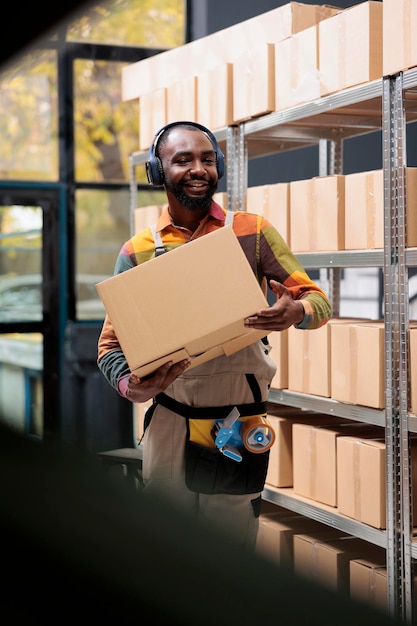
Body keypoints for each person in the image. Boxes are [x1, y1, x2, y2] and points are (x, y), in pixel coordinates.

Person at [97, 120, 332, 550]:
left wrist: (295, 310)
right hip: (170, 423)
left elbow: (319, 303)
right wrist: (131, 386)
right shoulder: (137, 252)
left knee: (229, 555)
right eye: (183, 159)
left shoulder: (252, 232)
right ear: (157, 171)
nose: (198, 168)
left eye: (207, 158)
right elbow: (111, 347)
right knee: (166, 552)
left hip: (238, 423)